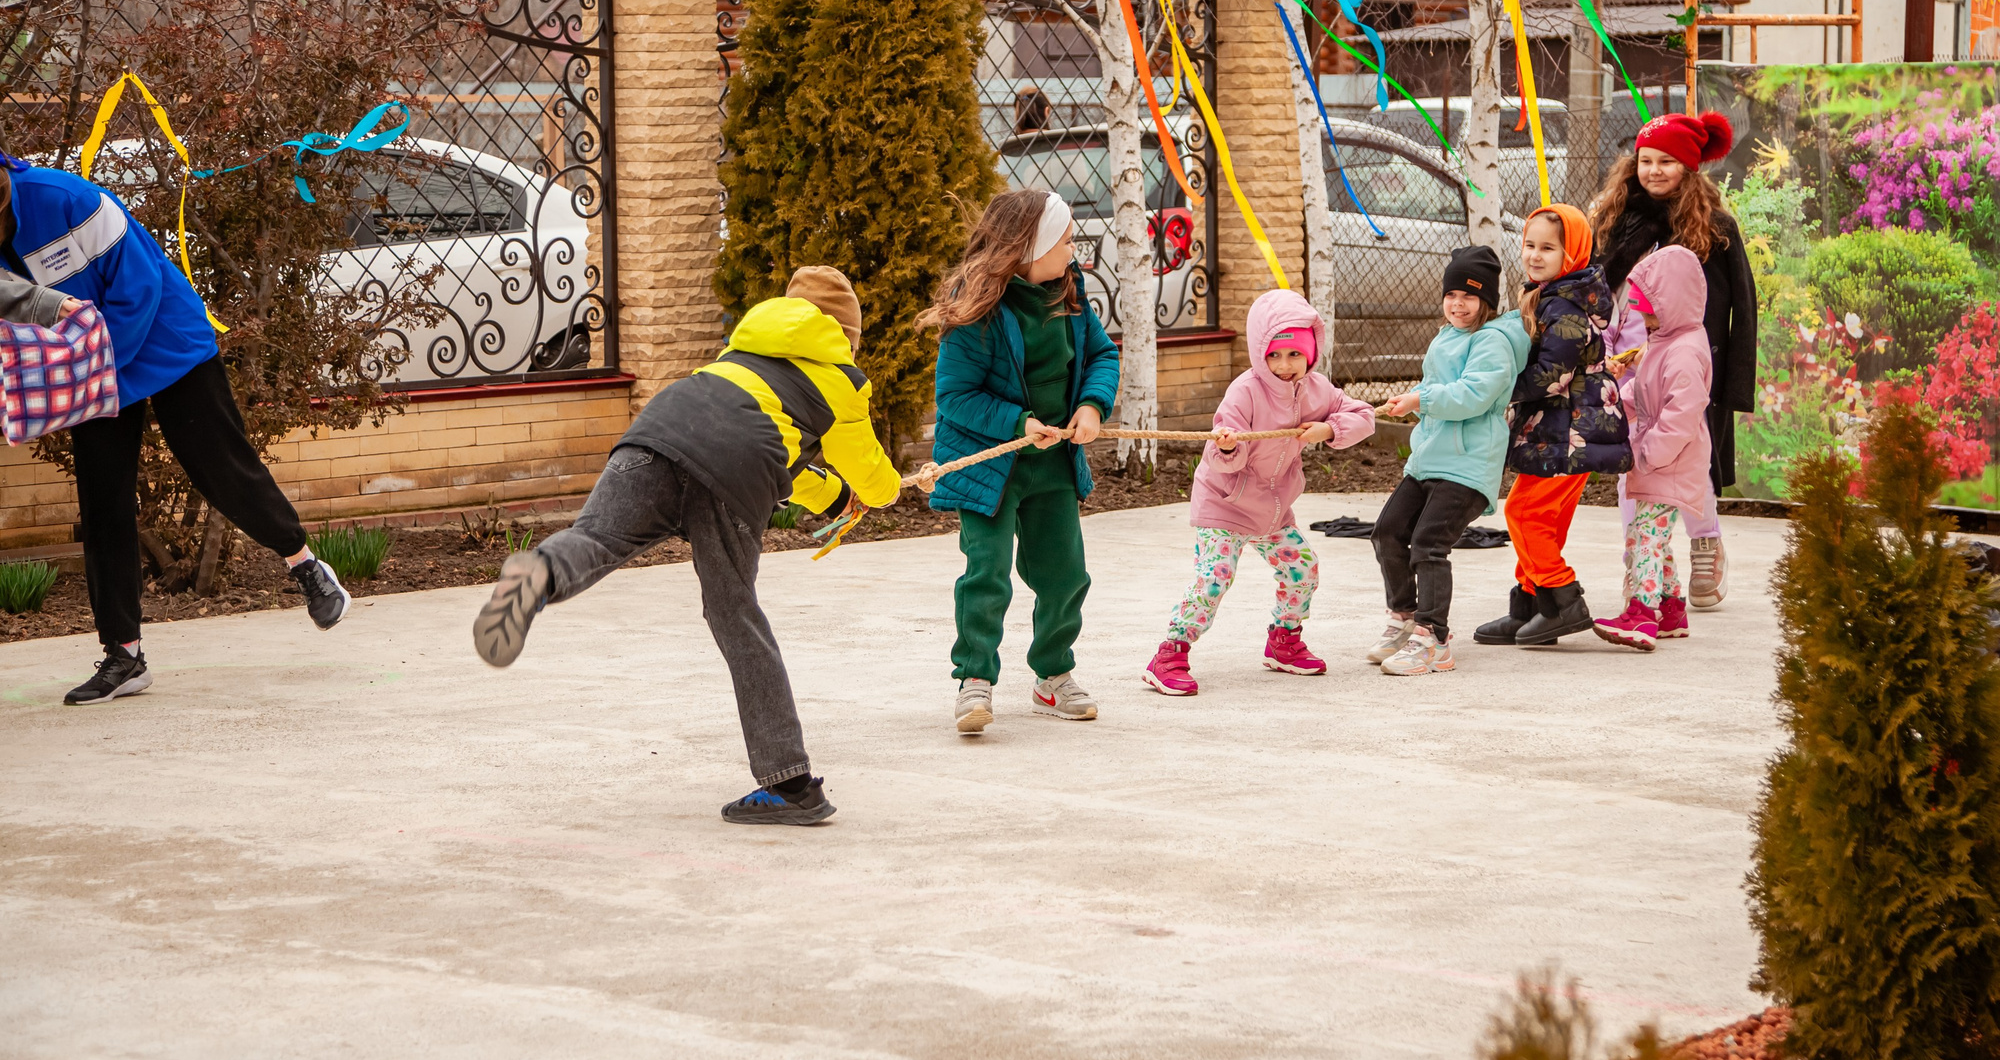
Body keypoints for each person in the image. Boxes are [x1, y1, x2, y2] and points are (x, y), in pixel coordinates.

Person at [470, 265, 900, 825]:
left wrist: (831, 497)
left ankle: (540, 573)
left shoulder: (741, 352)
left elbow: (773, 446)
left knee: (594, 537)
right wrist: (878, 492)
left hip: (662, 429)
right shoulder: (843, 380)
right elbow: (871, 479)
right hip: (734, 468)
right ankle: (790, 786)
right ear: (847, 335)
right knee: (735, 614)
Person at [0, 156, 351, 706]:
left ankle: (303, 563)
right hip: (88, 365)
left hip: (163, 339)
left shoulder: (66, 200)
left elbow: (138, 285)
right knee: (104, 504)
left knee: (221, 469)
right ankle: (124, 654)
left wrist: (97, 367)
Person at [924, 190, 1120, 734]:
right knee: (987, 576)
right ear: (1027, 250)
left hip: (1053, 462)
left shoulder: (1069, 291)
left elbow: (1102, 355)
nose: (1073, 250)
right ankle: (975, 681)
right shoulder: (978, 308)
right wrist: (1017, 423)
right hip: (991, 467)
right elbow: (955, 397)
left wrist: (1090, 405)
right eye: (1065, 240)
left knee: (1065, 575)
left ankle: (1052, 677)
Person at [1144, 289, 1374, 695]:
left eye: (1294, 354)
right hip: (1225, 505)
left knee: (1303, 569)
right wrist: (1229, 445)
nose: (1284, 366)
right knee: (1214, 578)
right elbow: (1219, 456)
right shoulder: (1245, 392)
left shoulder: (1318, 389)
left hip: (1272, 510)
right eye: (1273, 355)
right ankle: (1169, 654)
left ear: (1311, 352)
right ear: (1259, 354)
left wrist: (1329, 429)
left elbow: (1363, 416)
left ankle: (1284, 640)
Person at [1589, 111, 1752, 622]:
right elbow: (1605, 287)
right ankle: (1639, 560)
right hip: (1631, 367)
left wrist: (1733, 381)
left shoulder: (1715, 228)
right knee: (1632, 469)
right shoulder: (1619, 218)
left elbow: (1742, 305)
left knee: (1690, 461)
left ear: (1690, 167)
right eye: (1646, 161)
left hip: (1688, 362)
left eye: (1668, 162)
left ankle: (1706, 542)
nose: (1654, 171)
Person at [1370, 244, 1530, 675]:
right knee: (1387, 532)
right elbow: (1437, 390)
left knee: (1428, 544)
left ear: (1488, 302)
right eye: (1451, 295)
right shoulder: (1447, 335)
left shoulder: (1494, 341)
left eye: (1470, 297)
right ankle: (1404, 618)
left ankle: (1433, 637)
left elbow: (1474, 396)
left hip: (1468, 463)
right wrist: (1418, 404)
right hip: (1430, 456)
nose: (1458, 305)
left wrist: (1421, 398)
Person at [1475, 204, 1629, 646]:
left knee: (1523, 513)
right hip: (1561, 430)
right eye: (1529, 245)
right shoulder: (1556, 295)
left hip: (1569, 430)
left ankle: (1564, 600)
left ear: (1573, 253)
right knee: (1545, 521)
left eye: (1548, 248)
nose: (1535, 255)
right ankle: (1530, 605)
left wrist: (1498, 391)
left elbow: (1551, 374)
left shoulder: (1566, 306)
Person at [1592, 246, 1713, 651]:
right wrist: (1617, 406)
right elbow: (1645, 391)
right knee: (1652, 535)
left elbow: (1682, 413)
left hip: (1670, 461)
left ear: (1674, 303)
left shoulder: (1685, 352)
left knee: (1644, 534)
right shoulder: (1663, 341)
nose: (1645, 320)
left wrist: (1650, 453)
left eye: (1652, 312)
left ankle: (1642, 613)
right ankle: (1671, 606)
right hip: (1657, 458)